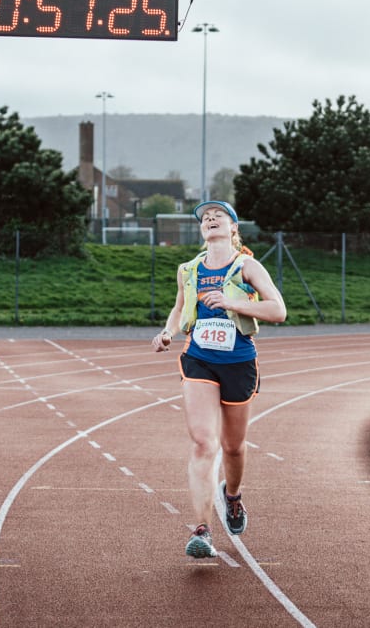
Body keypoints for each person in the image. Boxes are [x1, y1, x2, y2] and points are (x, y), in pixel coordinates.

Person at [151, 200, 287, 558]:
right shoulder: (189, 269)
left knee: (233, 447)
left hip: (238, 362)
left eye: (218, 216)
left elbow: (278, 310)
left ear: (233, 228)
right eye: (205, 218)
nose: (210, 220)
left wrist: (232, 302)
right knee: (202, 443)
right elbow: (180, 308)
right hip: (199, 359)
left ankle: (233, 495)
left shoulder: (247, 266)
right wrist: (167, 332)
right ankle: (202, 529)